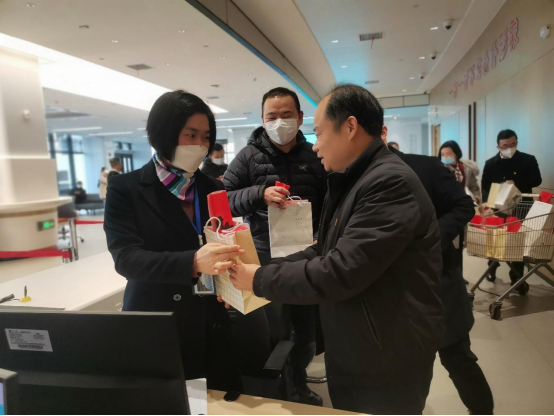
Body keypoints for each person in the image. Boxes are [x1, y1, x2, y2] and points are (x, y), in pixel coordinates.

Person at [227, 84, 445, 415]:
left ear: (350, 127)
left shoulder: (388, 183)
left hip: (385, 350)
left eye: (319, 132)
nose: (316, 145)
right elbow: (324, 248)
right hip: (363, 340)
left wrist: (257, 279)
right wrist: (258, 273)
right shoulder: (355, 179)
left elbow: (340, 270)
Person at [104, 90, 243, 392]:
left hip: (210, 319)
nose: (200, 145)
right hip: (157, 321)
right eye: (190, 135)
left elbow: (221, 237)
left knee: (217, 401)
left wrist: (231, 273)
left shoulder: (212, 187)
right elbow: (126, 259)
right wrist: (192, 262)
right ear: (164, 134)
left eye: (206, 137)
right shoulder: (126, 188)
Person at [223, 87, 328, 406]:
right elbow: (224, 199)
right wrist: (259, 194)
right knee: (274, 332)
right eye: (272, 116)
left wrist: (321, 236)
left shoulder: (315, 155)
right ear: (262, 119)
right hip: (264, 258)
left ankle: (299, 382)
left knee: (306, 331)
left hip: (306, 258)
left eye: (286, 115)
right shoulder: (248, 156)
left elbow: (331, 202)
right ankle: (280, 391)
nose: (279, 122)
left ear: (300, 117)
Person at [385, 128, 495, 416]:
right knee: (403, 371)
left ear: (381, 130)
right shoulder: (351, 175)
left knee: (457, 358)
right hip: (392, 294)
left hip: (438, 281)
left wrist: (430, 239)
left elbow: (463, 206)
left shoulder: (424, 166)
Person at [482, 129, 542, 289]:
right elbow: (486, 187)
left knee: (517, 242)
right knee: (496, 239)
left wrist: (516, 182)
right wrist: (487, 205)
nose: (509, 148)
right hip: (498, 207)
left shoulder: (528, 160)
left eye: (513, 144)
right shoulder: (490, 163)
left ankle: (516, 277)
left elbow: (537, 180)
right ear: (498, 147)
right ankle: (492, 265)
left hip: (521, 206)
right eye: (505, 146)